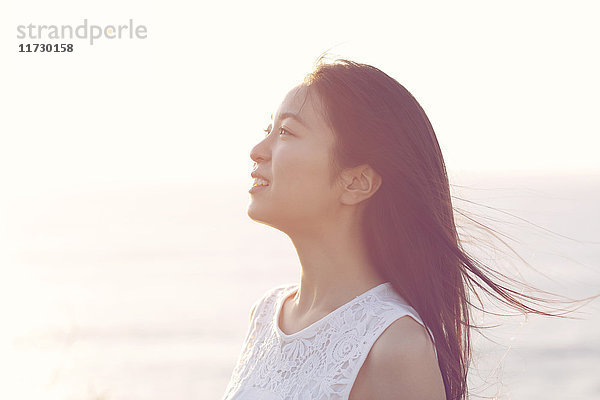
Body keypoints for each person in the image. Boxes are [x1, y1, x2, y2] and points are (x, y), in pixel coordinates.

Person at [222, 57, 593, 400]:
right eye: (268, 129)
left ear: (356, 183)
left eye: (285, 132)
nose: (258, 149)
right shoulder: (268, 313)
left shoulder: (395, 347)